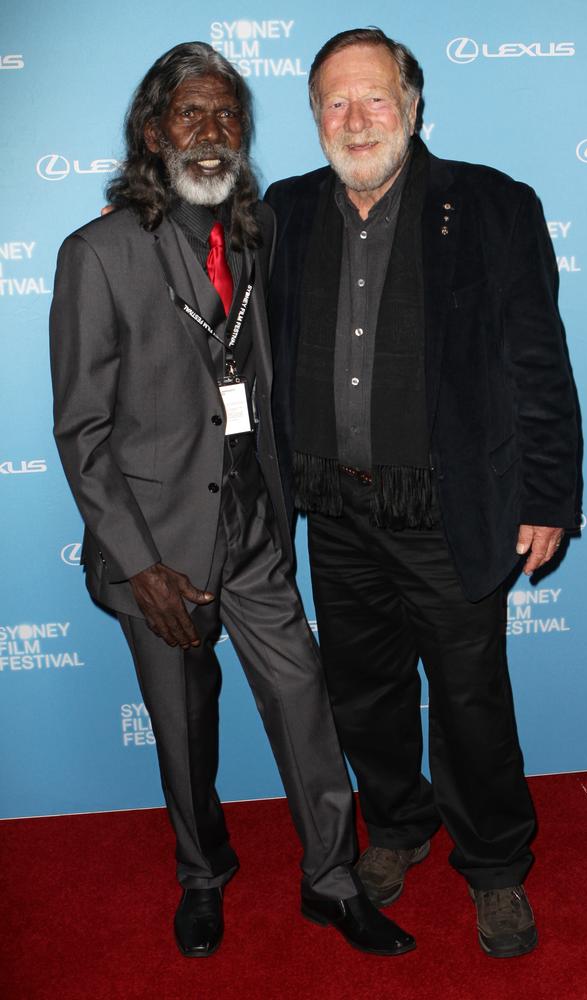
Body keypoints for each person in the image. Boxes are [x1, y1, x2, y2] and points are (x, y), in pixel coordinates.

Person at [49, 41, 415, 960]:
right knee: (182, 731)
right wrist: (141, 570)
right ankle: (201, 876)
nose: (211, 135)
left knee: (304, 706)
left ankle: (331, 881)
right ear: (151, 132)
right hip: (158, 550)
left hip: (253, 529)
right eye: (190, 116)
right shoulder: (96, 255)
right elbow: (82, 433)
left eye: (227, 118)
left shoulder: (255, 232)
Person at [265, 28, 580, 958]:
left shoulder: (489, 204)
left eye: (372, 98)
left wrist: (548, 494)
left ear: (411, 104)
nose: (355, 119)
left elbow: (539, 364)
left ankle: (494, 868)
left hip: (452, 512)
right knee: (364, 696)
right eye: (335, 102)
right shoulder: (284, 212)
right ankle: (398, 828)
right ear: (315, 116)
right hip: (335, 509)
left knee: (472, 700)